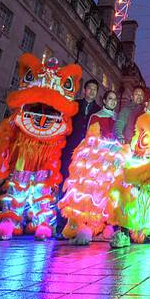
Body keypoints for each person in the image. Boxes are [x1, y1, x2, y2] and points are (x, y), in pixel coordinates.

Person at [57, 78, 101, 235]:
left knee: (83, 190)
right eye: (89, 88)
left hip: (87, 156)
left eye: (95, 90)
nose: (92, 92)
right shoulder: (74, 105)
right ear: (84, 90)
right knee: (66, 185)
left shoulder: (98, 110)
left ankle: (78, 225)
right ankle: (60, 224)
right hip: (70, 150)